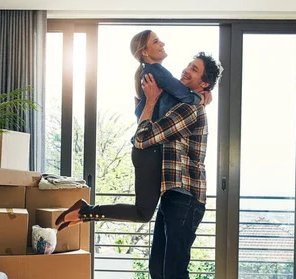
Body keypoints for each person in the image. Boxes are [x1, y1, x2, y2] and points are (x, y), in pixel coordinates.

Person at [56, 30, 209, 229]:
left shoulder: (151, 74)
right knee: (143, 212)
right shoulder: (156, 72)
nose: (162, 43)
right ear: (145, 52)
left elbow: (156, 106)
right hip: (148, 151)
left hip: (147, 152)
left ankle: (84, 212)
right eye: (156, 41)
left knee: (143, 213)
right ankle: (84, 211)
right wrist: (202, 98)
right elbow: (185, 95)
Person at [132, 52, 222, 279]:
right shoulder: (187, 102)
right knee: (158, 267)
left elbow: (144, 138)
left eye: (193, 69)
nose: (186, 70)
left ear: (204, 82)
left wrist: (149, 103)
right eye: (188, 65)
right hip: (172, 195)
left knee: (175, 271)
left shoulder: (190, 107)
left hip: (185, 197)